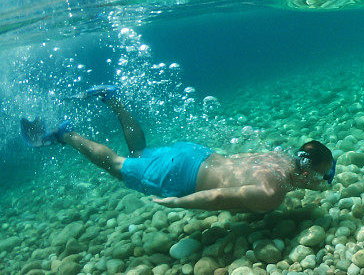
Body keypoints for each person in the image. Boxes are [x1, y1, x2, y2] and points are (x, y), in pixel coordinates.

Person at [20, 86, 335, 213]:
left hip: (196, 154)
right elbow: (218, 197)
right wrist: (178, 202)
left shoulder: (280, 157)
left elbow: (236, 173)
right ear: (305, 171)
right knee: (117, 165)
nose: (322, 184)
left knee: (139, 154)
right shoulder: (272, 193)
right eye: (323, 178)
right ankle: (64, 135)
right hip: (181, 176)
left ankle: (113, 98)